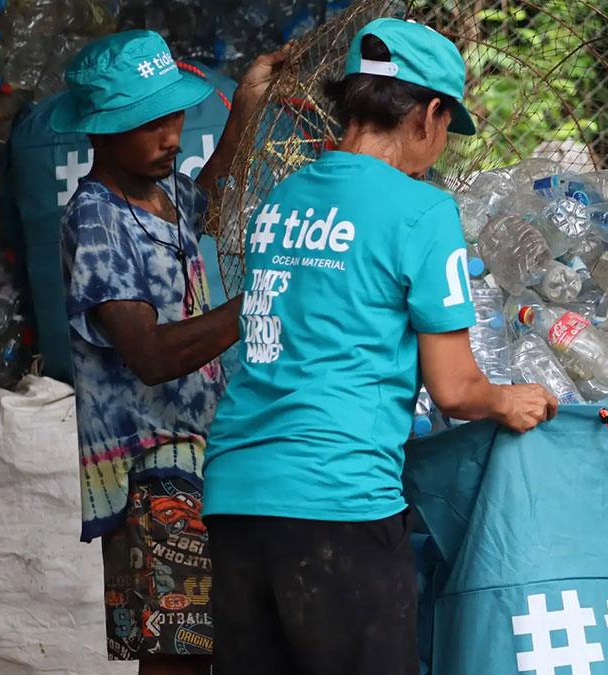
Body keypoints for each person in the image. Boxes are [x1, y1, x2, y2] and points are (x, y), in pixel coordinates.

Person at [203, 18, 558, 675]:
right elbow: (454, 388)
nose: (442, 144)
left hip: (236, 495)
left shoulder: (283, 199)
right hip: (338, 501)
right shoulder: (421, 212)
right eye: (448, 125)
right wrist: (508, 398)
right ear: (428, 114)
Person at [53, 30, 286, 674]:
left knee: (204, 645)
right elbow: (150, 355)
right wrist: (264, 296)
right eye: (150, 124)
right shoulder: (96, 219)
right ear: (100, 130)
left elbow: (210, 188)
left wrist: (245, 107)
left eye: (176, 116)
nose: (172, 137)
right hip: (146, 470)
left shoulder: (165, 194)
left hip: (193, 454)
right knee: (176, 654)